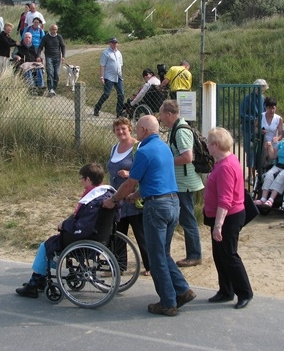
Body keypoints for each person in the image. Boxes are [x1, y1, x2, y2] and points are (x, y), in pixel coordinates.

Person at [102, 115, 195, 317]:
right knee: (163, 252)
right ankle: (182, 289)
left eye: (137, 128)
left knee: (156, 257)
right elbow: (156, 178)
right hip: (172, 202)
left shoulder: (143, 151)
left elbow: (129, 182)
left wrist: (114, 200)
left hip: (156, 207)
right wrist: (136, 195)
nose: (135, 131)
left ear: (144, 130)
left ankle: (168, 301)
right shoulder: (164, 148)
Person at [15, 163, 116, 298]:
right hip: (101, 235)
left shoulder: (92, 201)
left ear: (88, 180)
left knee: (45, 247)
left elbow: (82, 227)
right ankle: (39, 280)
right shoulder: (107, 193)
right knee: (49, 244)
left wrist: (65, 225)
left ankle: (34, 283)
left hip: (84, 238)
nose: (80, 181)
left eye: (82, 178)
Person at [203, 127, 253, 309]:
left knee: (229, 255)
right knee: (220, 255)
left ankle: (245, 292)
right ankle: (226, 290)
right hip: (223, 215)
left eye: (208, 143)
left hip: (229, 217)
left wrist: (218, 224)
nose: (207, 147)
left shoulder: (226, 166)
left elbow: (225, 199)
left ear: (215, 145)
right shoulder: (225, 161)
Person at [158, 100, 203, 268]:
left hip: (185, 183)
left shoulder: (180, 131)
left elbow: (187, 157)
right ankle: (192, 253)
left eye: (162, 114)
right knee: (184, 218)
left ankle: (194, 255)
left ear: (169, 114)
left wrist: (166, 162)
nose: (161, 118)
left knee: (187, 219)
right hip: (181, 181)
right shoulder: (176, 129)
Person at [107, 117, 150, 276]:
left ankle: (149, 265)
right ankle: (119, 265)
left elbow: (146, 170)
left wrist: (129, 174)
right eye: (117, 129)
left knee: (141, 233)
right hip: (117, 197)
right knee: (118, 233)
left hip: (133, 197)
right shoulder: (114, 148)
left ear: (130, 129)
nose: (120, 132)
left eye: (123, 128)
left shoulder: (137, 148)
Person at [254, 127, 284, 207]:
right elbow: (273, 156)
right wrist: (269, 147)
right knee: (269, 175)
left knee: (281, 176)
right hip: (279, 165)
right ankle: (263, 198)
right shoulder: (281, 144)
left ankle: (271, 199)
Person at [239, 79, 268, 185]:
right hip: (249, 129)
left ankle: (259, 174)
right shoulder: (248, 99)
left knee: (260, 152)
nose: (263, 90)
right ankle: (250, 175)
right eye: (261, 88)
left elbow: (265, 112)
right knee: (250, 151)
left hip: (260, 130)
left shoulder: (263, 99)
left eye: (264, 88)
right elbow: (242, 113)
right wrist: (253, 119)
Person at [93, 37, 124, 117]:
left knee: (121, 94)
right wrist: (102, 77)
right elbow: (102, 65)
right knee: (106, 94)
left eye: (116, 43)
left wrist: (120, 74)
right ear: (110, 43)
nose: (115, 44)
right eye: (113, 43)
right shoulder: (106, 53)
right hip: (109, 77)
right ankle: (97, 108)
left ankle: (119, 113)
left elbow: (120, 64)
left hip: (118, 76)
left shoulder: (119, 53)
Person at [38, 24, 66, 96]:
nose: (54, 31)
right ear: (50, 29)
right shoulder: (45, 37)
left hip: (57, 57)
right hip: (49, 57)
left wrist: (63, 56)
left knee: (57, 73)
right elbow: (40, 47)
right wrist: (38, 55)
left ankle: (54, 88)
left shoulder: (59, 37)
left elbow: (63, 46)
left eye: (56, 29)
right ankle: (50, 89)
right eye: (53, 29)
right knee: (50, 72)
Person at [260, 96, 284, 167]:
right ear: (266, 108)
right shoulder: (261, 116)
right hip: (262, 142)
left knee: (271, 161)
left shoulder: (279, 119)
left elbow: (280, 134)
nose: (272, 110)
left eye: (273, 108)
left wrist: (277, 138)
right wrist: (260, 131)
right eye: (269, 108)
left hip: (273, 143)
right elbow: (255, 127)